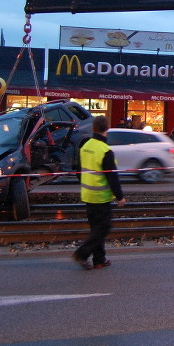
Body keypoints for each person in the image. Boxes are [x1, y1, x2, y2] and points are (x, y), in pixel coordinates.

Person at [72, 115, 126, 270]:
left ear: (93, 128)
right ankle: (82, 254)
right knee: (103, 228)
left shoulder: (86, 146)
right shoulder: (105, 150)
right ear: (107, 128)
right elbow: (112, 176)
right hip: (100, 196)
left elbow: (79, 170)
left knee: (96, 228)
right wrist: (120, 197)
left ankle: (99, 260)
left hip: (87, 194)